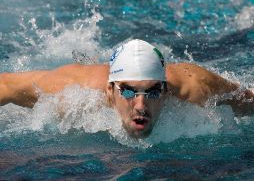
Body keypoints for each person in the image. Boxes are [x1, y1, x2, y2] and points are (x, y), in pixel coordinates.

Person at [0, 39, 253, 138]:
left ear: (166, 92)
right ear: (110, 92)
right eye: (129, 92)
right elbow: (6, 84)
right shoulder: (72, 92)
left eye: (152, 91)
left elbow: (248, 99)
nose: (140, 106)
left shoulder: (195, 87)